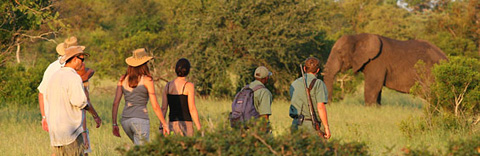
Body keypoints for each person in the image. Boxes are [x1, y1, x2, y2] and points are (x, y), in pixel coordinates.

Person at [112, 48, 170, 145]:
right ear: (144, 64)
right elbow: (155, 105)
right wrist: (164, 124)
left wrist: (114, 124)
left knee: (137, 149)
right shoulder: (147, 80)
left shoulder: (123, 79)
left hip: (126, 121)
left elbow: (115, 103)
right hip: (140, 120)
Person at [46, 46, 92, 155]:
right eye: (82, 59)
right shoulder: (73, 77)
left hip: (56, 132)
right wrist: (91, 111)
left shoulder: (54, 76)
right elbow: (80, 102)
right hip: (71, 131)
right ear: (75, 59)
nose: (82, 63)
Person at [289, 57, 331, 139]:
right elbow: (321, 107)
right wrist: (326, 127)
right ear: (318, 70)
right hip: (312, 125)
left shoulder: (294, 84)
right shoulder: (319, 84)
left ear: (304, 68)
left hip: (296, 124)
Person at [161, 58, 201, 136]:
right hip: (186, 124)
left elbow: (164, 108)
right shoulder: (189, 86)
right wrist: (199, 127)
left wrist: (161, 126)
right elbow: (192, 108)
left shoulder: (168, 86)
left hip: (172, 123)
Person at [76, 62, 101, 155]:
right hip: (79, 128)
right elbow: (83, 113)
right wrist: (85, 134)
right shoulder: (81, 91)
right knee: (83, 151)